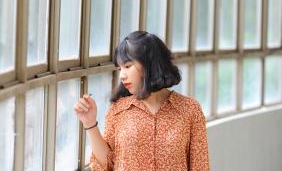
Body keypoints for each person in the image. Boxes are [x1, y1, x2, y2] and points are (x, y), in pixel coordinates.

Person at [74, 31, 210, 170]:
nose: (122, 75)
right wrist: (89, 122)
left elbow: (200, 166)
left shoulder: (189, 110)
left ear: (149, 64)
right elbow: (108, 164)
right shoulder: (119, 111)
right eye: (120, 68)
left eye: (127, 66)